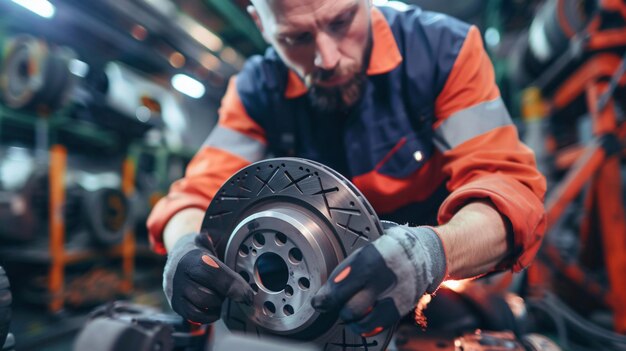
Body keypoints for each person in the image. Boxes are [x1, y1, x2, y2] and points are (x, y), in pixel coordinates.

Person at [149, 0, 546, 337]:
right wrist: (184, 246)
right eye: (297, 38)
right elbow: (193, 196)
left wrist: (430, 254)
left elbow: (507, 190)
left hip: (438, 283)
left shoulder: (443, 51)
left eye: (342, 21)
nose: (328, 58)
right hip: (318, 308)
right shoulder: (257, 89)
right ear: (261, 23)